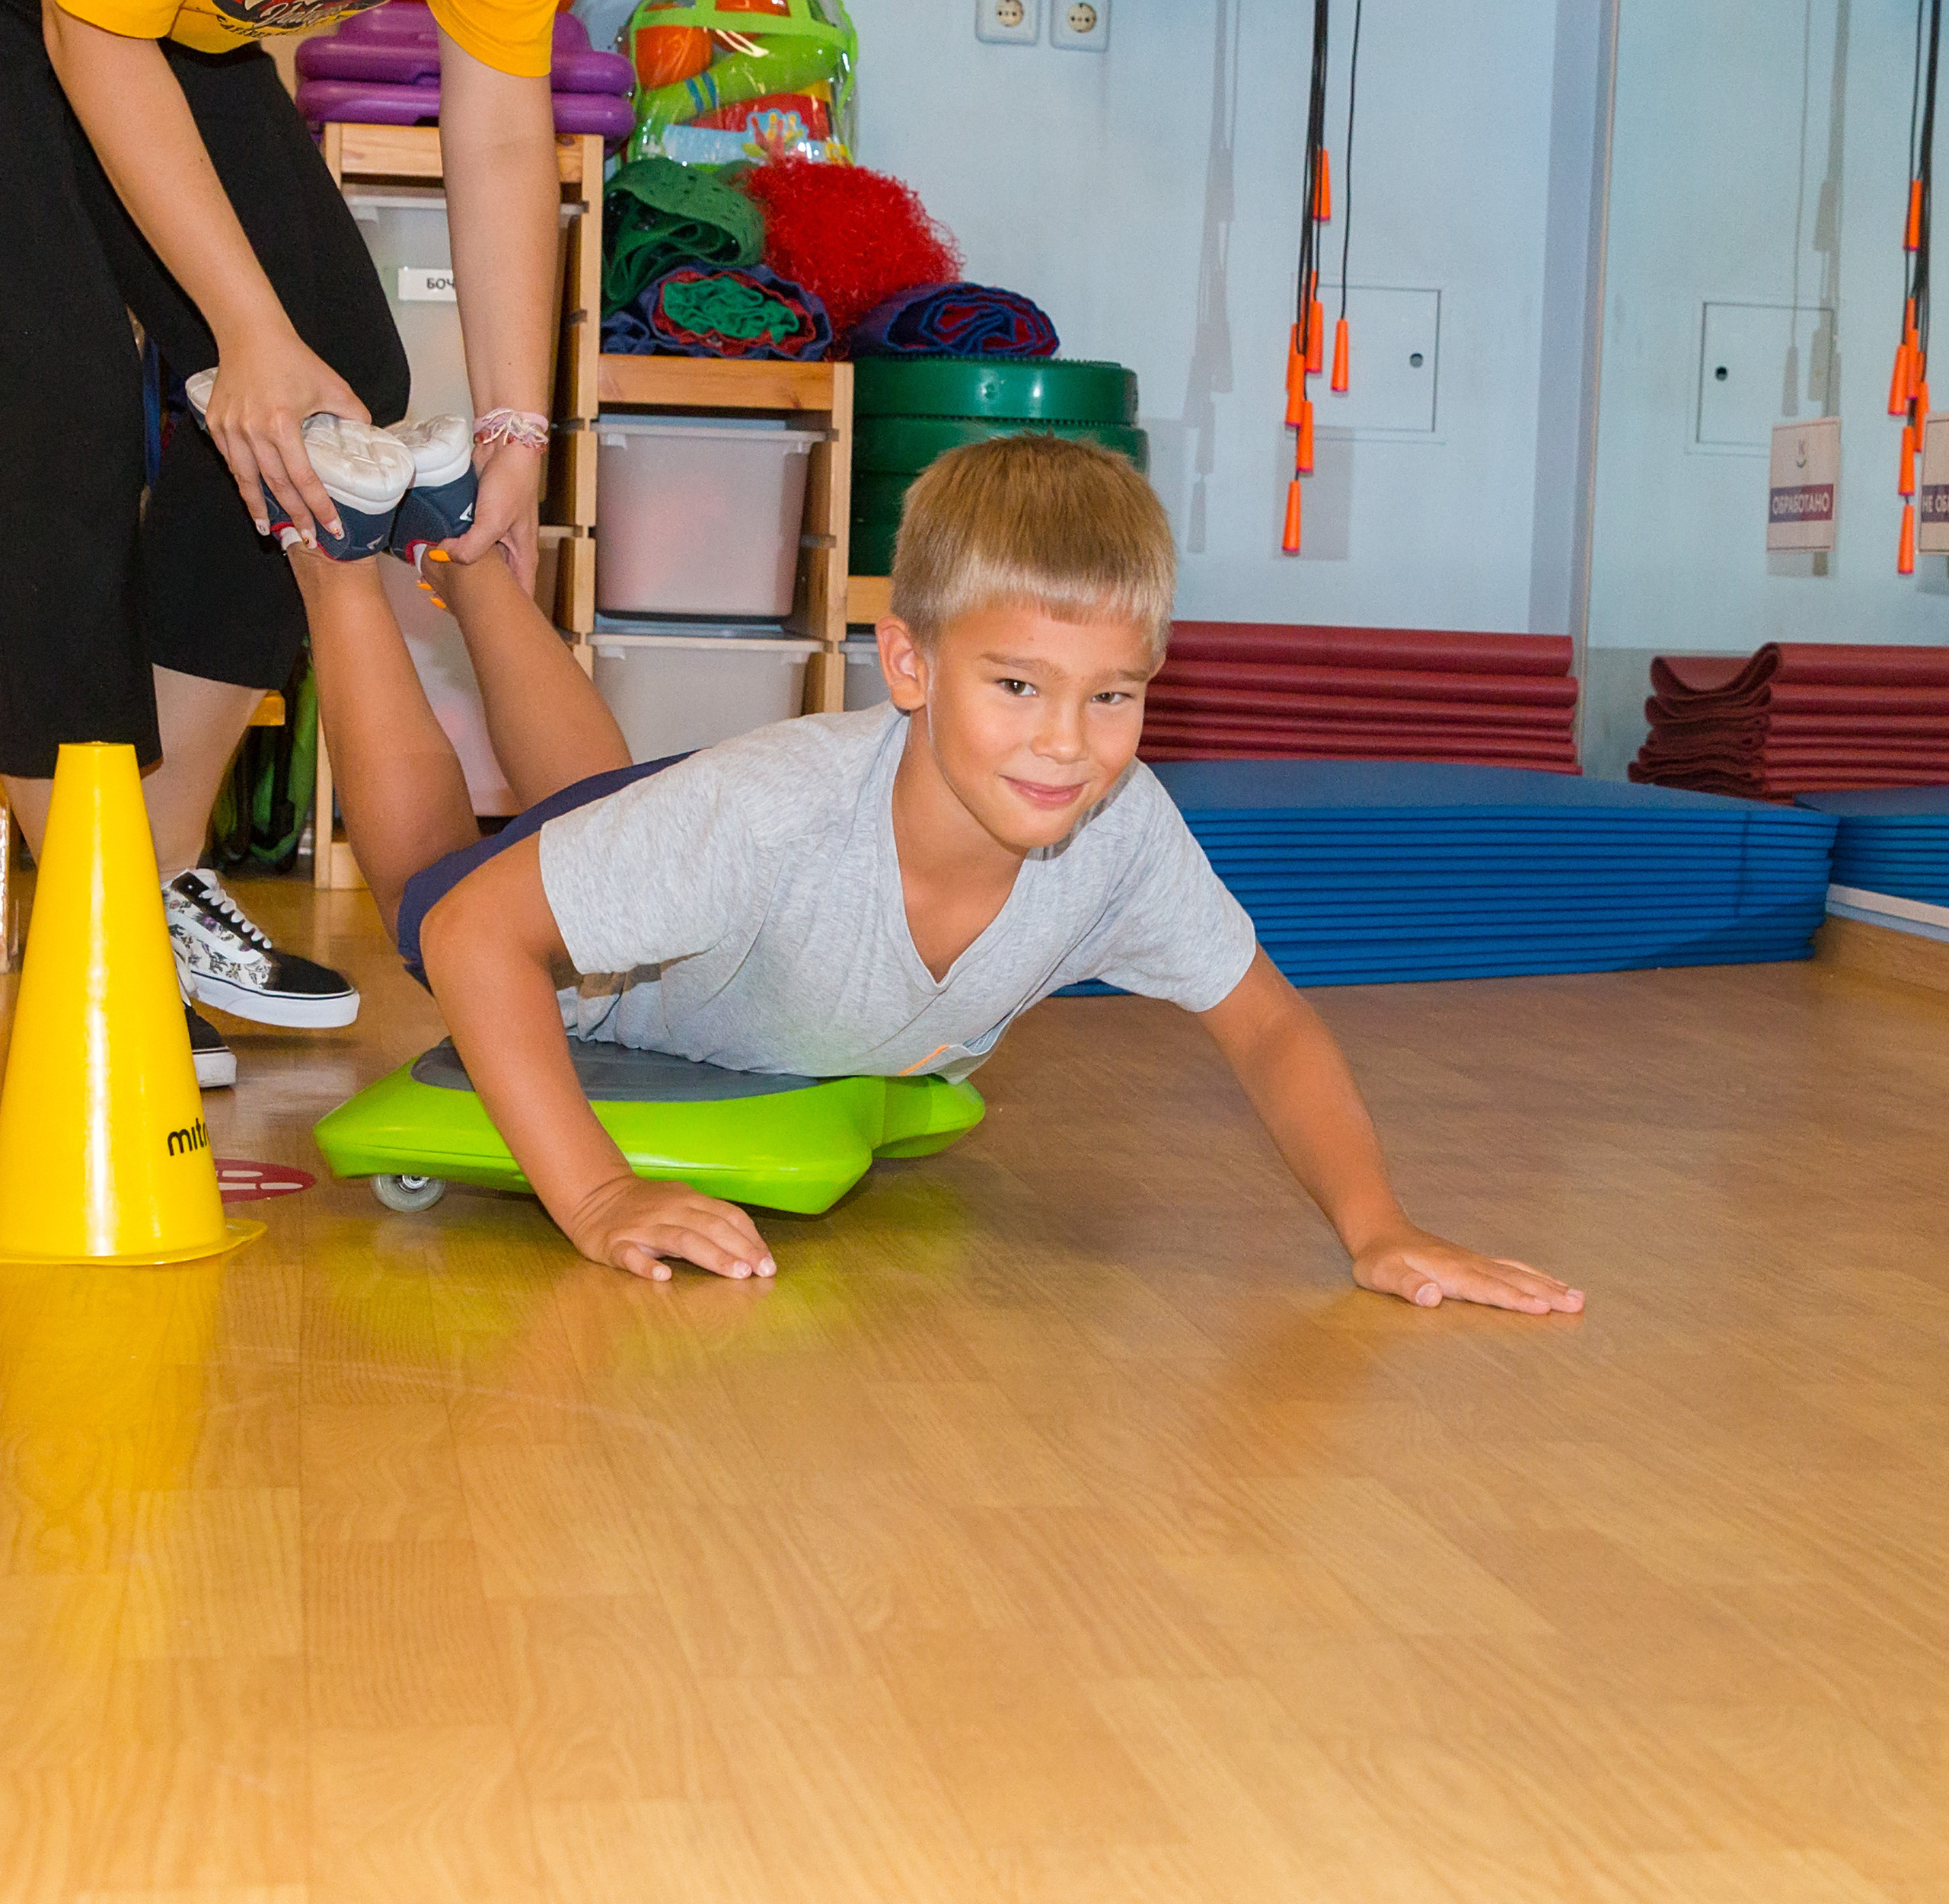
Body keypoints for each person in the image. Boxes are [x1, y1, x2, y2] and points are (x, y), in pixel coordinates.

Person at [307, 433, 1584, 1315]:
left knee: (619, 814)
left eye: (1113, 696)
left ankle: (468, 554)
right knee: (434, 889)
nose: (1066, 744)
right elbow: (483, 933)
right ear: (909, 665)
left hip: (698, 837)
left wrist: (1378, 1227)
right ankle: (340, 554)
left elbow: (1270, 1025)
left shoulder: (1121, 828)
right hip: (663, 902)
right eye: (1018, 686)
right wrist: (593, 1195)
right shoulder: (775, 816)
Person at [1, 0, 563, 1086]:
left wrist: (517, 427)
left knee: (332, 396)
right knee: (52, 404)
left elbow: (496, 120)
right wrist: (245, 327)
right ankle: (99, 932)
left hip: (153, 32)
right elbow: (89, 37)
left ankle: (147, 881)